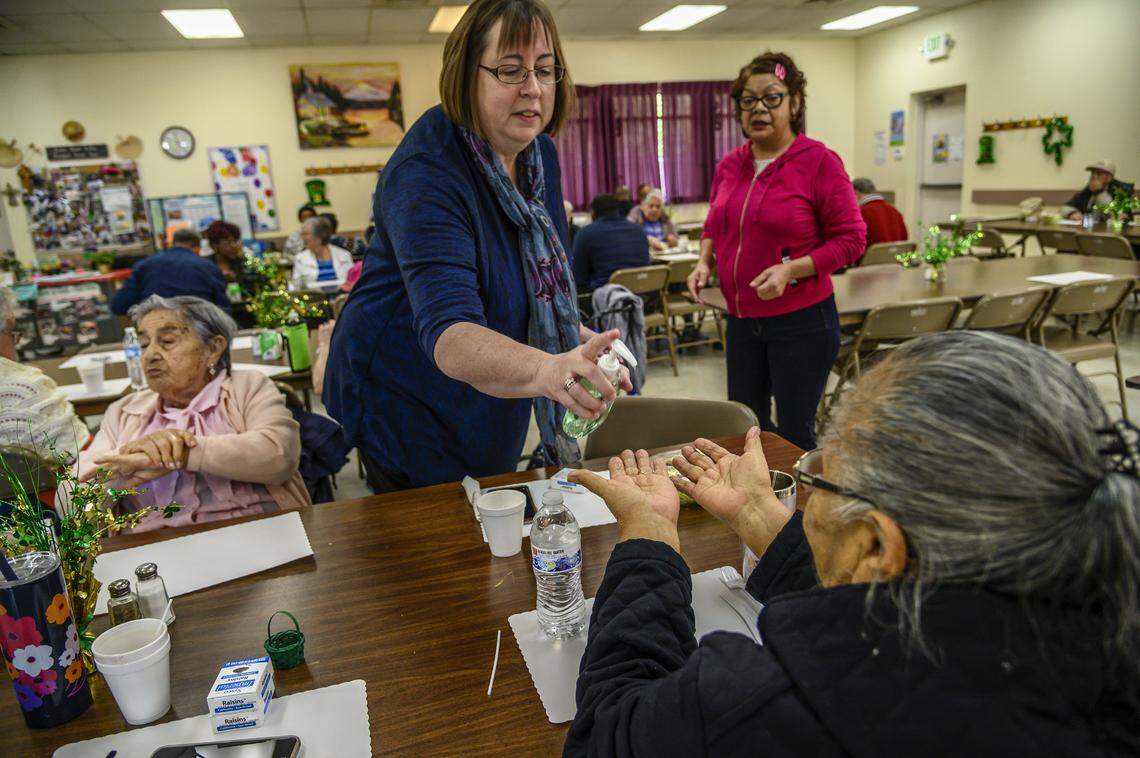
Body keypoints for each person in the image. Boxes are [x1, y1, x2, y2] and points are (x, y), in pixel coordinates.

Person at [565, 331, 1140, 756]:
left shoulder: (783, 709)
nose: (808, 481)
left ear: (875, 544)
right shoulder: (1094, 621)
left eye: (818, 474)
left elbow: (606, 734)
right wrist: (762, 516)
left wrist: (650, 536)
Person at [324, 0, 630, 492]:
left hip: (491, 368)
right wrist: (550, 369)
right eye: (511, 70)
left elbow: (536, 286)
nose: (532, 87)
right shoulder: (425, 172)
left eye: (545, 70)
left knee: (494, 486)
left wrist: (575, 342)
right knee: (444, 523)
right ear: (467, 75)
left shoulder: (538, 155)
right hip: (403, 387)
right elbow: (451, 333)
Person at [689, 51, 865, 450]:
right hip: (741, 320)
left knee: (793, 434)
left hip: (801, 322)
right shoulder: (730, 165)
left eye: (772, 97)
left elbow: (852, 239)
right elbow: (713, 224)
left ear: (795, 102)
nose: (759, 109)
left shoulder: (819, 162)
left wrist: (793, 269)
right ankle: (757, 508)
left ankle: (800, 513)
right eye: (748, 100)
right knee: (745, 428)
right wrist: (704, 261)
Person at [70, 295, 310, 531]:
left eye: (167, 340)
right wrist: (127, 464)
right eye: (144, 344)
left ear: (213, 349)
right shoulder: (124, 411)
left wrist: (183, 453)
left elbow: (278, 456)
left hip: (255, 533)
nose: (150, 354)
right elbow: (70, 504)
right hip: (152, 551)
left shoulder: (248, 387)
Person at [0, 286, 88, 459]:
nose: (15, 342)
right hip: (45, 485)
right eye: (11, 332)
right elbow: (79, 456)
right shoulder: (24, 387)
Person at [111, 229, 230, 315]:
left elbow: (120, 306)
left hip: (157, 330)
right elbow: (224, 309)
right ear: (196, 247)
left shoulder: (145, 265)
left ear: (172, 244)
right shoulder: (209, 267)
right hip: (199, 331)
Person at [571, 193, 652, 291]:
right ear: (617, 211)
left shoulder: (585, 233)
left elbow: (579, 277)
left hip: (607, 299)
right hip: (644, 294)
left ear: (593, 213)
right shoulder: (638, 230)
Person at [290, 217, 355, 291]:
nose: (302, 237)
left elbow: (353, 281)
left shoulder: (344, 255)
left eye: (305, 234)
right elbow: (295, 287)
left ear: (320, 236)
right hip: (315, 299)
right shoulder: (300, 259)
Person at [1061, 159, 1135, 221]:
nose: (1094, 176)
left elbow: (1111, 215)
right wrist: (1072, 213)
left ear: (1109, 177)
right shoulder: (1088, 190)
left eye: (1099, 173)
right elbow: (1066, 207)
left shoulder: (1121, 191)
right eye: (1093, 173)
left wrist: (1099, 192)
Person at [202, 220, 257, 291]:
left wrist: (236, 279)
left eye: (236, 241)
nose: (234, 246)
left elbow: (254, 288)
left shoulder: (244, 262)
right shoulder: (205, 264)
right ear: (214, 245)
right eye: (228, 242)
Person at [853, 177, 907, 246]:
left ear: (855, 193)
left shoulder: (862, 213)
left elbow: (856, 244)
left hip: (872, 256)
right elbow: (904, 238)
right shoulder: (894, 210)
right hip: (895, 256)